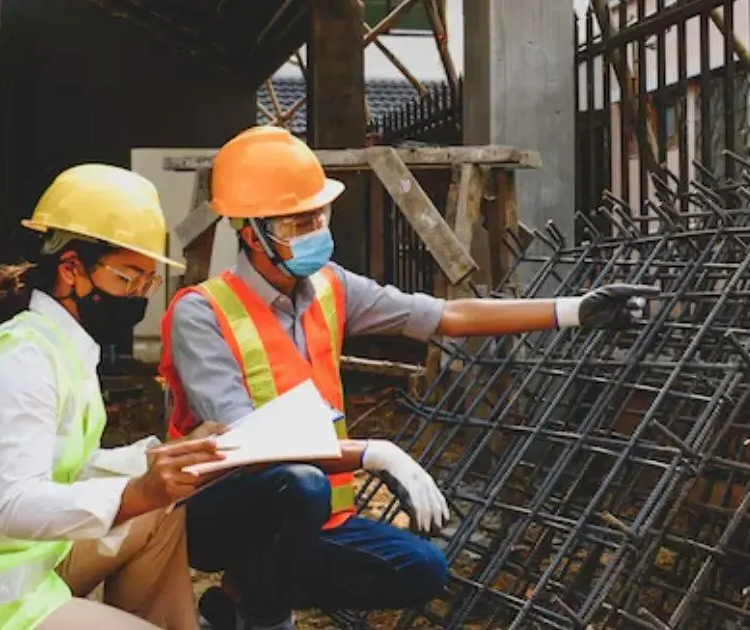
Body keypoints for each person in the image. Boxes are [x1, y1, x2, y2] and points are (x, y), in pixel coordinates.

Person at [159, 126, 659, 630]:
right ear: (251, 233)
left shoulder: (331, 285)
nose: (315, 231)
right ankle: (264, 618)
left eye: (318, 216)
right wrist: (374, 453)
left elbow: (446, 316)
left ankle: (236, 603)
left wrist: (573, 310)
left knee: (421, 570)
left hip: (313, 518)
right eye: (297, 222)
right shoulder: (201, 313)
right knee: (300, 484)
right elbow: (250, 442)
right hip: (219, 516)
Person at [0, 164, 227, 630]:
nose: (138, 296)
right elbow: (18, 505)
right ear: (71, 269)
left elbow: (67, 470)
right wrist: (137, 489)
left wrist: (162, 459)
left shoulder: (62, 347)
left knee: (160, 509)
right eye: (127, 279)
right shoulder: (24, 359)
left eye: (146, 282)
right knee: (145, 500)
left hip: (14, 561)